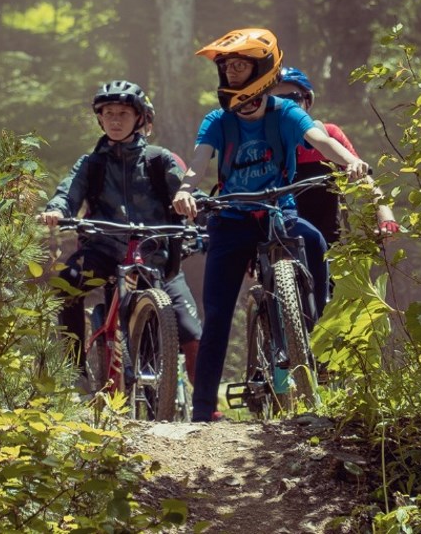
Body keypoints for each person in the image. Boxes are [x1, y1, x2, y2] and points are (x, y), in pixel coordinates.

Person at [171, 28, 369, 422]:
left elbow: (318, 138)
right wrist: (186, 189)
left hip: (281, 212)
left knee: (314, 242)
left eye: (240, 66)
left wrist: (349, 161)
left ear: (262, 69)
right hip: (231, 219)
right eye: (227, 68)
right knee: (218, 314)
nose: (231, 74)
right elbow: (199, 161)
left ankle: (313, 329)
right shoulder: (218, 120)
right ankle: (202, 410)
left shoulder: (286, 112)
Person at [38, 80, 202, 388]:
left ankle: (190, 403)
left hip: (154, 255)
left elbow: (187, 190)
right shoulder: (91, 163)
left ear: (140, 118)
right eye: (108, 113)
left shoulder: (158, 160)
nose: (115, 120)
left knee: (187, 329)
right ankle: (76, 373)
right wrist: (58, 210)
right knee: (67, 285)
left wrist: (197, 204)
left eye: (123, 113)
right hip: (102, 251)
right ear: (99, 118)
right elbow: (68, 193)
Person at [268, 66, 399, 249]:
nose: (286, 107)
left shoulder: (328, 135)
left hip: (327, 239)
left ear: (307, 101)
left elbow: (364, 179)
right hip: (274, 237)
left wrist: (386, 218)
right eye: (277, 101)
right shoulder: (258, 142)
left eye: (293, 98)